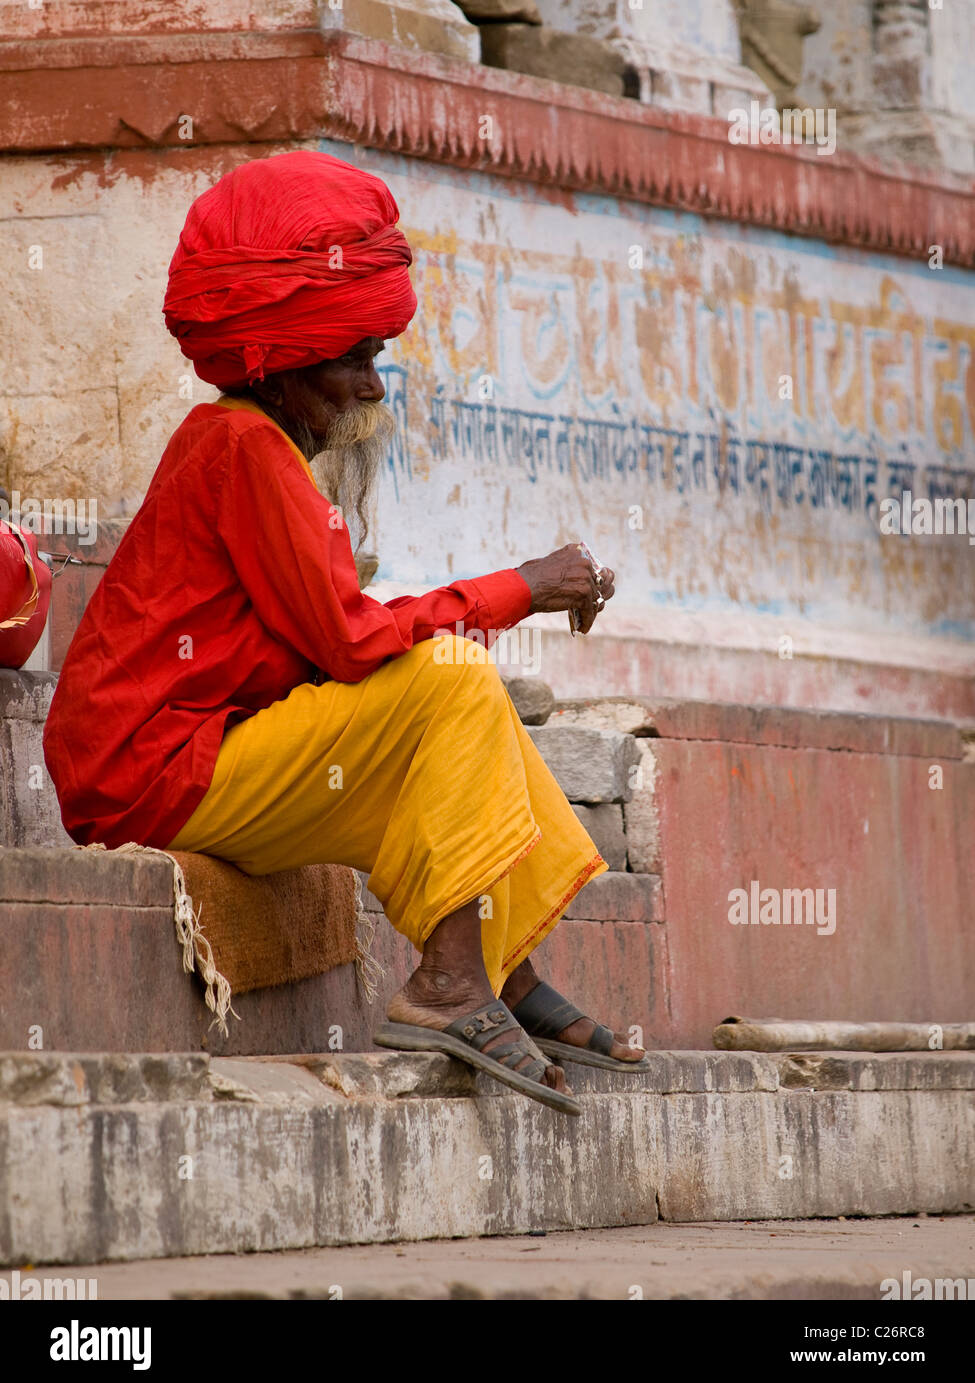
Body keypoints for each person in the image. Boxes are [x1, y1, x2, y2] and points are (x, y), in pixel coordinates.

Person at [43, 151, 647, 1114]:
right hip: (152, 775)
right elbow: (353, 643)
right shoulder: (241, 445)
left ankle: (505, 970)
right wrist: (518, 587)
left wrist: (501, 597)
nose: (371, 389)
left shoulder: (260, 448)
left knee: (462, 703)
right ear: (280, 361)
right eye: (355, 361)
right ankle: (449, 985)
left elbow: (340, 642)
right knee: (450, 676)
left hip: (211, 756)